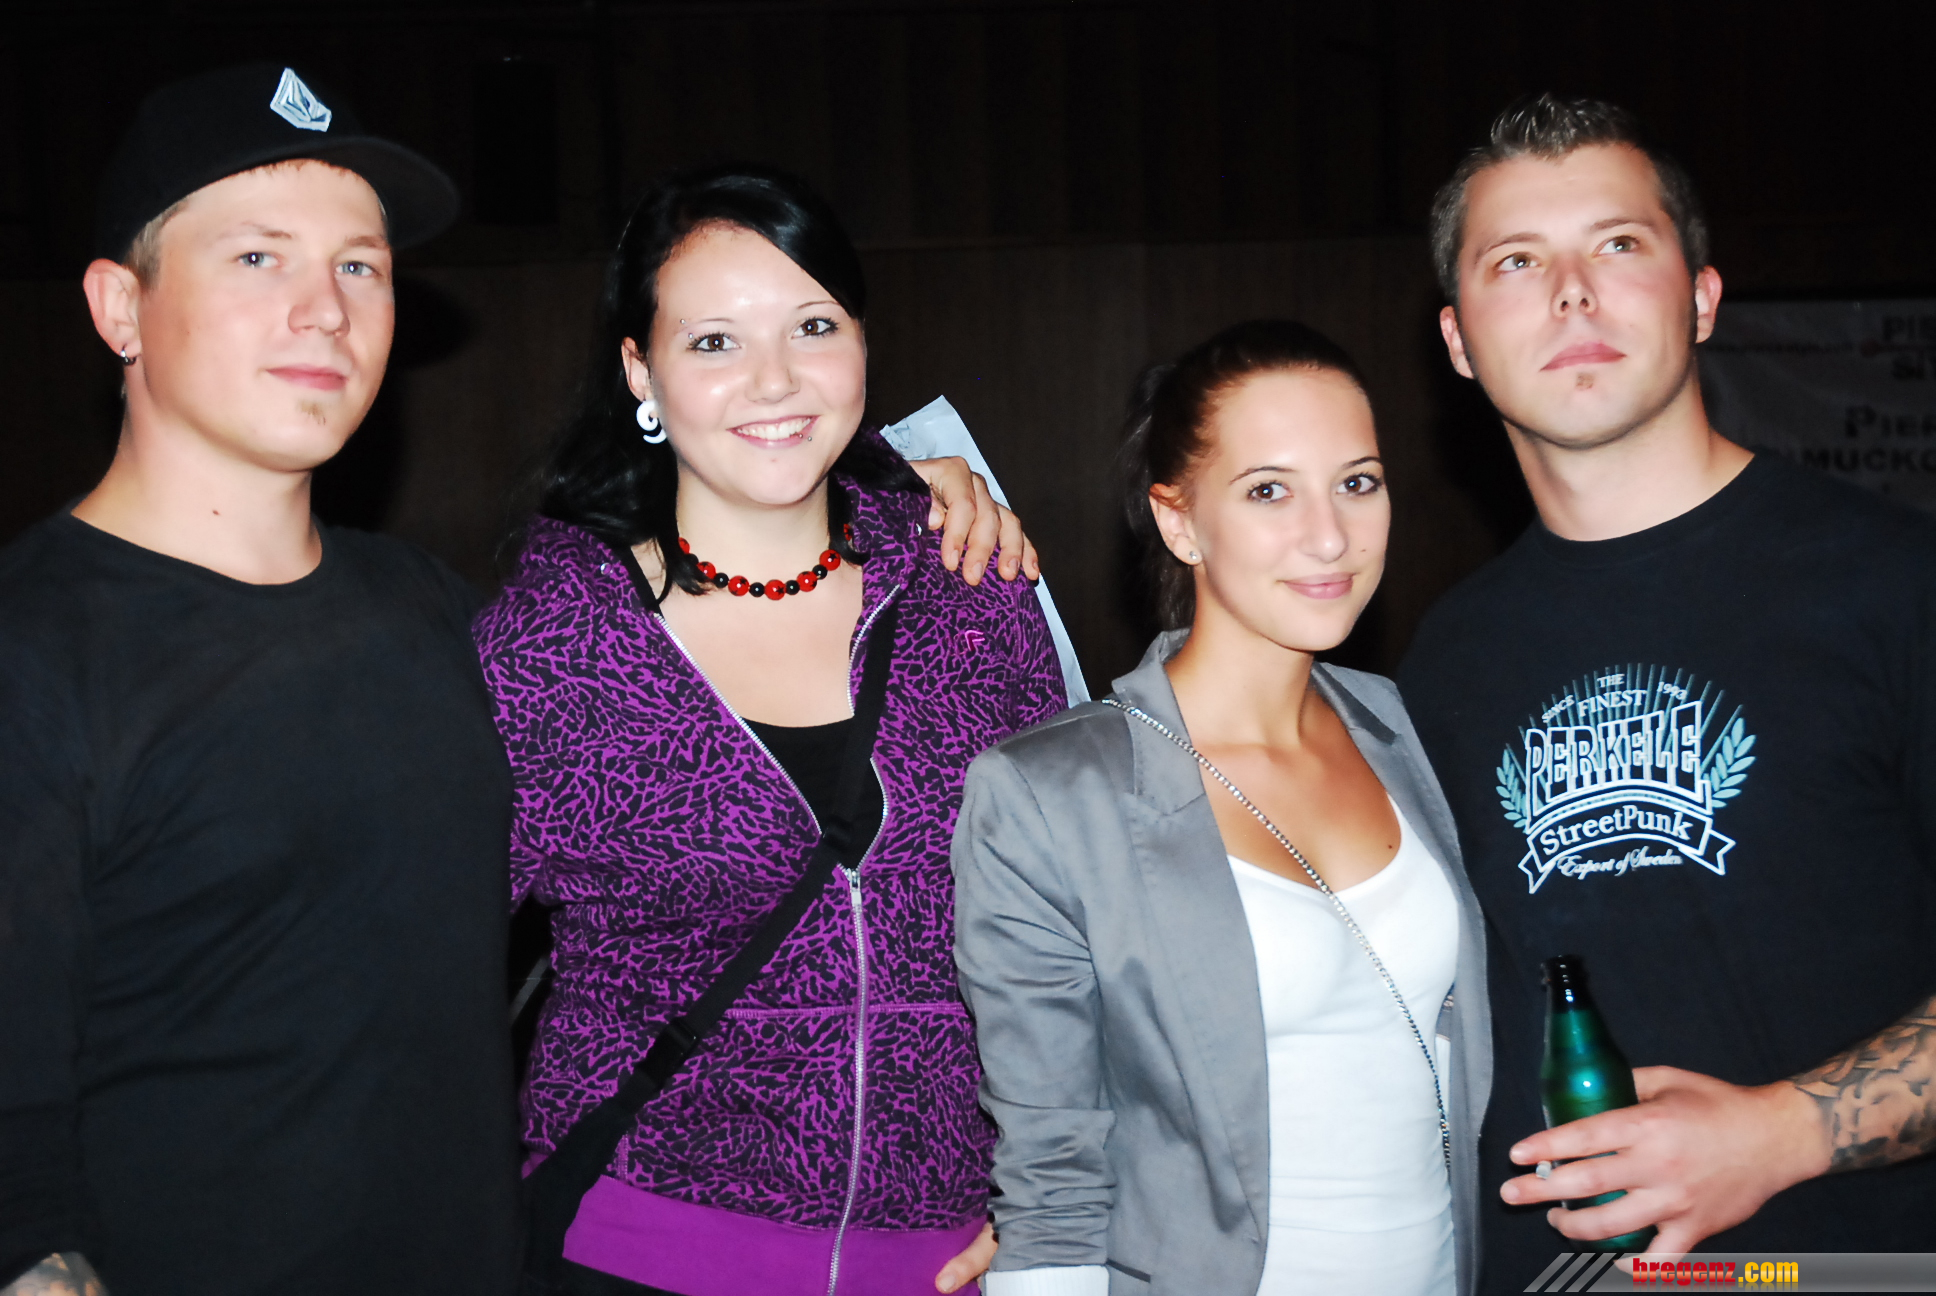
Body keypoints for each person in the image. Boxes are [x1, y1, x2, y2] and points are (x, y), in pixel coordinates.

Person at [0, 69, 1026, 1296]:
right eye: (258, 258)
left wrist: (910, 480)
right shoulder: (33, 651)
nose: (323, 310)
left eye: (360, 265)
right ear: (119, 306)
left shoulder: (435, 620)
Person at [474, 163, 1066, 1296]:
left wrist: (1056, 1185)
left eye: (813, 326)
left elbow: (1074, 920)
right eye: (714, 342)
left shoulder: (970, 588)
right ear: (640, 371)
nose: (775, 380)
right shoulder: (556, 642)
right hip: (637, 1250)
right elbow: (421, 971)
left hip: (945, 1259)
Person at [1398, 94, 1936, 1282]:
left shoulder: (1897, 584)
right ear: (1456, 340)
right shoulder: (1440, 660)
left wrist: (1782, 1134)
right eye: (1516, 261)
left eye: (1617, 244)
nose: (1571, 293)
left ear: (1700, 296)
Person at [952, 319, 1493, 1296]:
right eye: (1269, 491)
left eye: (1357, 482)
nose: (1329, 536)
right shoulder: (1053, 793)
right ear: (1180, 522)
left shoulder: (1399, 728)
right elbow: (1051, 1176)